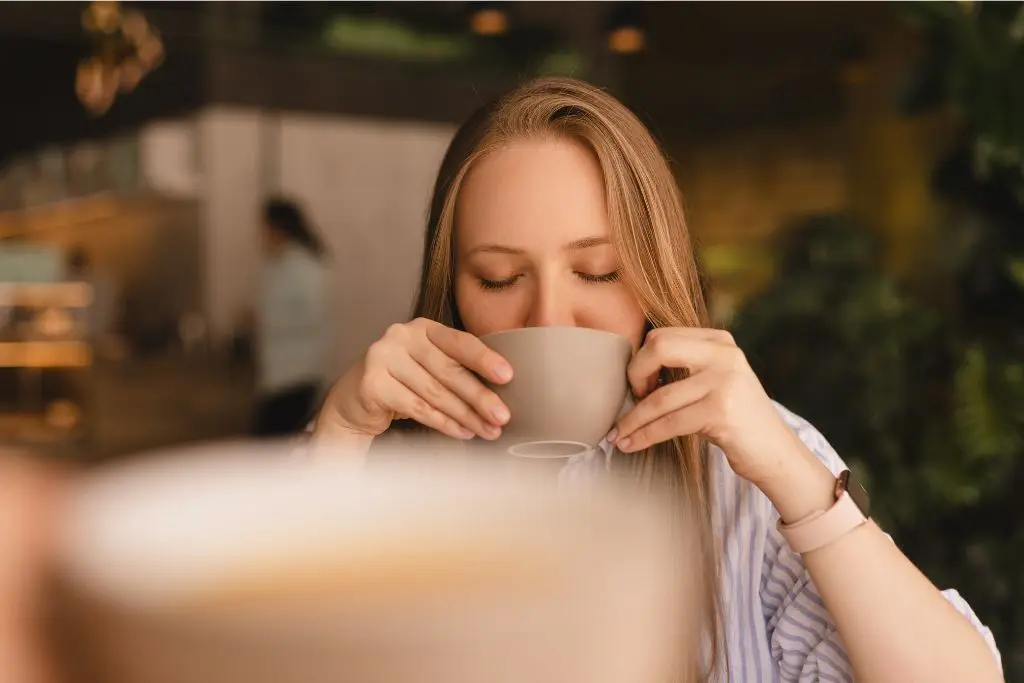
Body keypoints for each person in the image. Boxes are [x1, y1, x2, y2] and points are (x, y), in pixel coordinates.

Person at [312, 77, 1003, 682]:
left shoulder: (746, 471)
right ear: (454, 292)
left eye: (599, 271)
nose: (551, 316)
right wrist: (339, 437)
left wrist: (796, 477)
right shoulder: (386, 475)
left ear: (652, 277)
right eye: (499, 278)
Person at [251, 198, 331, 438]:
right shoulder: (281, 265)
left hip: (295, 376)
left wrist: (263, 321)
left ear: (278, 228)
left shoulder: (302, 267)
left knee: (273, 456)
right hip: (285, 375)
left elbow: (313, 316)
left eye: (263, 229)